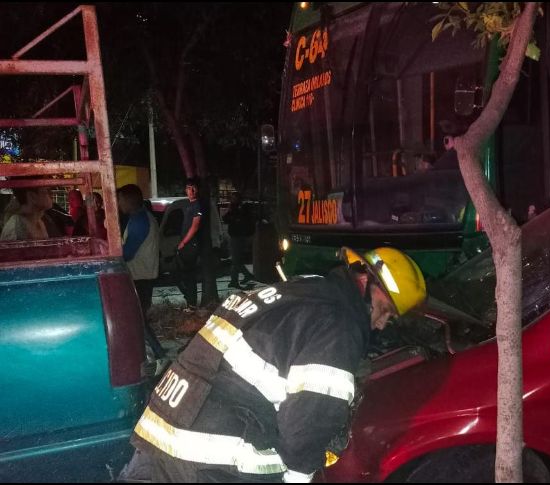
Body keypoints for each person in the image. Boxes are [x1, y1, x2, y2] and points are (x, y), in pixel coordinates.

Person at [129, 246, 427, 483]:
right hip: (212, 461)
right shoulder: (339, 324)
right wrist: (299, 478)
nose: (382, 324)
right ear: (365, 282)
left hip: (163, 434)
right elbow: (308, 423)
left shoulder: (304, 290)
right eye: (385, 309)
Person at [117, 183, 164, 358]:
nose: (119, 203)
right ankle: (155, 355)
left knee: (137, 321)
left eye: (120, 199)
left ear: (129, 200)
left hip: (140, 277)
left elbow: (127, 253)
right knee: (138, 320)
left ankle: (159, 355)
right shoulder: (141, 217)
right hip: (143, 276)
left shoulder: (140, 221)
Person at [175, 178, 203, 310]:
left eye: (193, 188)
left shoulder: (197, 205)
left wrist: (183, 242)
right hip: (186, 246)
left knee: (189, 276)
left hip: (191, 245)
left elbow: (195, 226)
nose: (191, 191)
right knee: (184, 275)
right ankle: (190, 303)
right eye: (188, 188)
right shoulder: (189, 204)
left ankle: (191, 305)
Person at [223, 192, 256, 289]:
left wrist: (232, 217)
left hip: (238, 237)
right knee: (237, 260)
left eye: (234, 198)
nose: (232, 200)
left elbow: (237, 220)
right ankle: (245, 276)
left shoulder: (240, 209)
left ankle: (235, 280)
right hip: (235, 236)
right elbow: (226, 218)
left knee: (235, 260)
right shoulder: (234, 208)